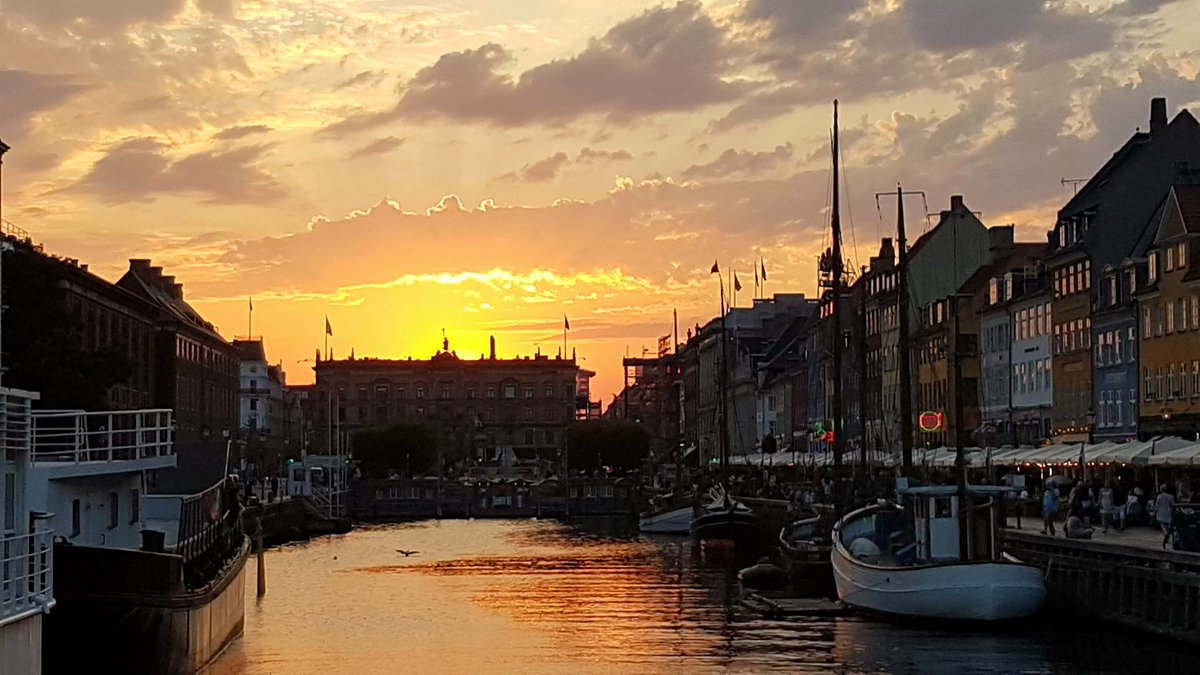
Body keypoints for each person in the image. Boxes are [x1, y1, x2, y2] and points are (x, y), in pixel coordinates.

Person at [1155, 484, 1175, 549]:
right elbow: (1172, 505)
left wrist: (1155, 511)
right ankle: (1167, 534)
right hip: (1168, 512)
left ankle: (1166, 534)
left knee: (1162, 524)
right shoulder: (1171, 497)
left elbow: (1157, 505)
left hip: (1161, 511)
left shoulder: (1159, 496)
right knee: (1167, 524)